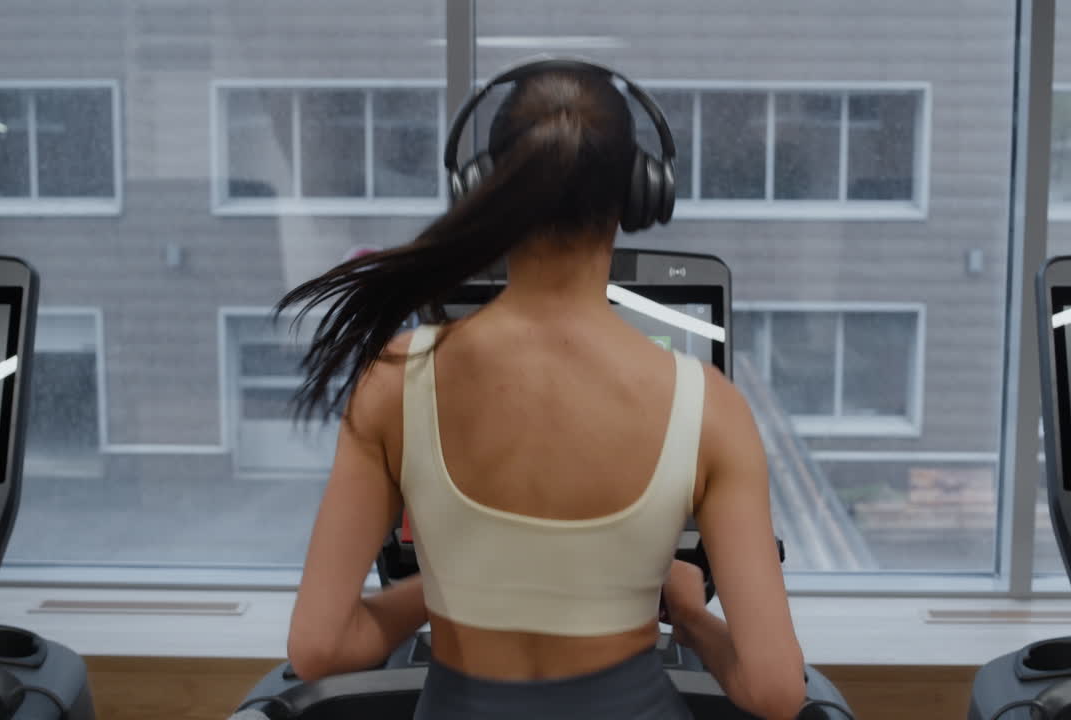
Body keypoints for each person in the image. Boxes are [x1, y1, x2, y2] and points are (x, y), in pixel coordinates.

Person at [279, 62, 806, 720]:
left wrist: (450, 581)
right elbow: (776, 690)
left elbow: (320, 648)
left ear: (485, 187)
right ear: (641, 194)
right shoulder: (713, 412)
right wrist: (690, 613)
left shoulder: (391, 381)